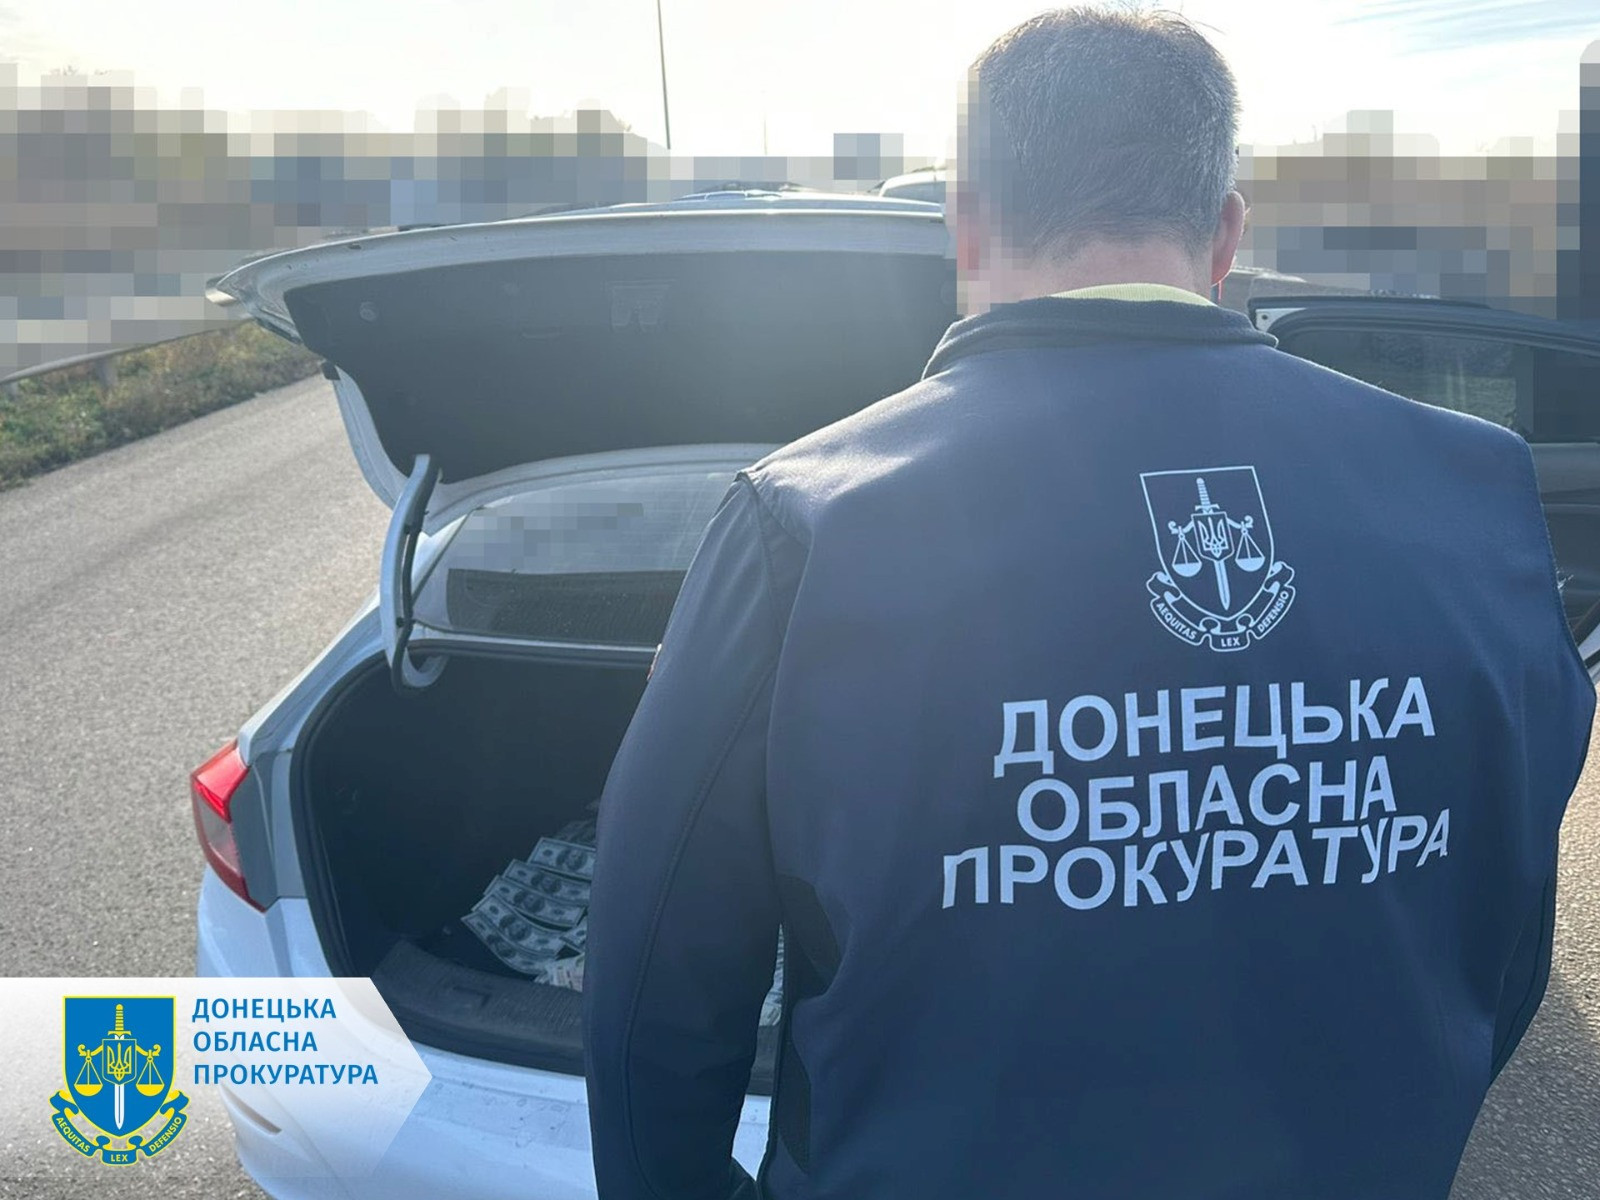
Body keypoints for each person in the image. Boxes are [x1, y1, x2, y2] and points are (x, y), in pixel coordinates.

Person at [582, 8, 1596, 1199]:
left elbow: (657, 990)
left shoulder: (806, 524)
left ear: (965, 223)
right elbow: (1503, 927)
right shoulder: (1474, 491)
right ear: (1226, 234)